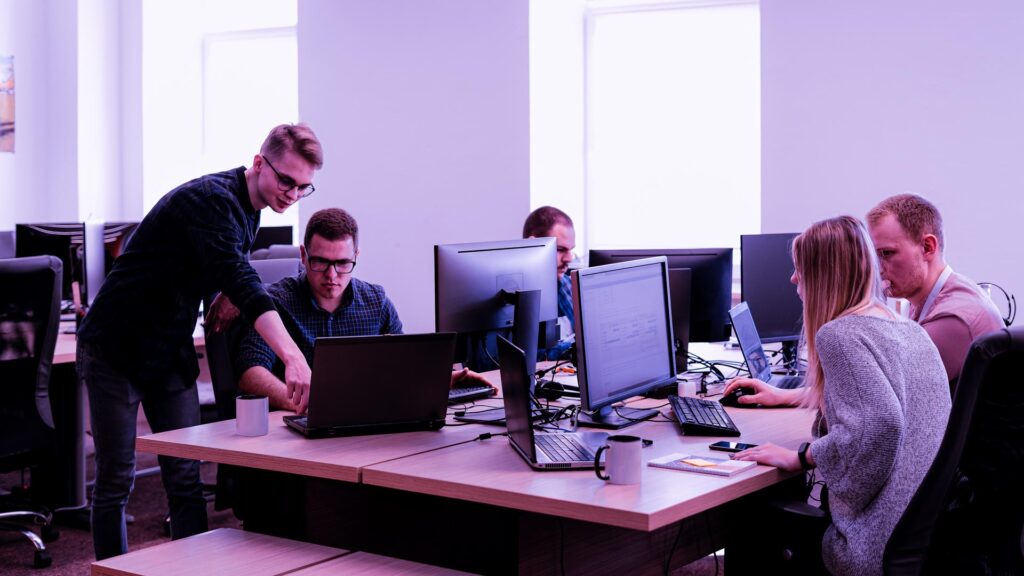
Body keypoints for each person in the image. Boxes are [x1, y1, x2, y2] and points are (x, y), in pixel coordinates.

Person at [77, 123, 323, 559]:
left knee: (186, 474)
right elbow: (242, 277)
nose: (292, 194)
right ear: (259, 163)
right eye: (286, 180)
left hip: (168, 350)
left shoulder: (251, 207)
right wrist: (293, 357)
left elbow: (224, 262)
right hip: (116, 345)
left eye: (303, 187)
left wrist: (227, 290)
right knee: (116, 479)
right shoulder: (211, 199)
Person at [726, 216, 951, 575]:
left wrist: (802, 457)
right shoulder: (909, 329)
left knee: (746, 514)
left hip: (873, 546)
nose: (793, 279)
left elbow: (880, 423)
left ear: (822, 275)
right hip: (926, 538)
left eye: (800, 269)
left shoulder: (839, 335)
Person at [235, 208, 492, 411]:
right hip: (299, 427)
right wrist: (301, 404)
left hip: (365, 419)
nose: (331, 275)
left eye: (343, 263)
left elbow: (402, 366)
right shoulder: (275, 303)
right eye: (320, 262)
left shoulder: (376, 302)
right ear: (303, 255)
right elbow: (251, 374)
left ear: (356, 256)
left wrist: (442, 380)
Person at [866, 193, 1003, 387]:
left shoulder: (952, 319)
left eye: (887, 253)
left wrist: (863, 305)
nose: (879, 269)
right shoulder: (926, 300)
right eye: (874, 256)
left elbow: (879, 391)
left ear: (927, 247)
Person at [522, 206, 576, 360]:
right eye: (560, 249)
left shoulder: (568, 285)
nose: (569, 259)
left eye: (571, 250)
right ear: (532, 246)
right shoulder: (511, 299)